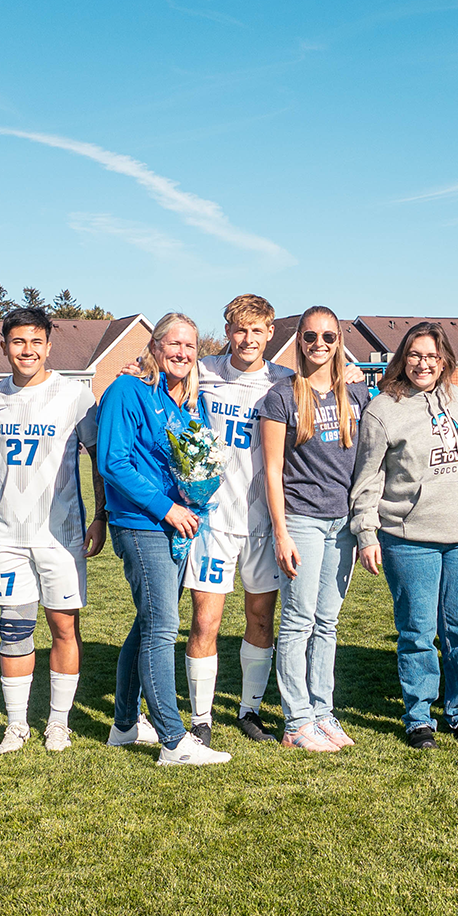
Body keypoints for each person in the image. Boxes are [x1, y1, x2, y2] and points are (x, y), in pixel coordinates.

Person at [96, 312, 232, 766]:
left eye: (190, 346)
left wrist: (193, 500)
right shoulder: (125, 390)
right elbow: (113, 463)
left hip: (177, 527)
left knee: (147, 622)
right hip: (141, 524)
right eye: (173, 344)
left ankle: (123, 725)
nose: (182, 353)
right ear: (154, 348)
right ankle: (174, 741)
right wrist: (166, 507)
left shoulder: (188, 402)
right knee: (161, 627)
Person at [0, 306, 106, 755]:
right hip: (8, 534)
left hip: (61, 534)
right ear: (4, 346)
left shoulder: (75, 396)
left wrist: (100, 516)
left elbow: (98, 460)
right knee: (13, 628)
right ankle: (16, 725)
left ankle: (57, 722)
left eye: (36, 341)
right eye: (18, 341)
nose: (27, 350)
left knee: (63, 627)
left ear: (49, 345)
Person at [351, 322, 458, 751]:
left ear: (444, 359)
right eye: (415, 355)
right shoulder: (382, 410)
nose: (423, 363)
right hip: (410, 538)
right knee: (417, 631)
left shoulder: (455, 398)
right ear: (402, 358)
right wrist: (366, 534)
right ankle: (418, 717)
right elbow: (368, 479)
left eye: (431, 356)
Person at [182, 294, 292, 744]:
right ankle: (201, 718)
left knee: (261, 619)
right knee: (205, 622)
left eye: (257, 331)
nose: (248, 339)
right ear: (228, 332)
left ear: (270, 333)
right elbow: (160, 381)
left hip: (265, 522)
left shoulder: (285, 381)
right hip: (212, 520)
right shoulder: (202, 371)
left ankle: (249, 710)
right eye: (239, 330)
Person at [263, 306, 372, 752]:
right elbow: (271, 471)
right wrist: (281, 532)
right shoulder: (281, 396)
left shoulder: (357, 395)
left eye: (329, 337)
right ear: (299, 341)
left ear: (339, 341)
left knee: (327, 623)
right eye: (311, 337)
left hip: (342, 523)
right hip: (302, 521)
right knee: (298, 622)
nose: (320, 345)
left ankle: (323, 713)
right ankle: (296, 722)